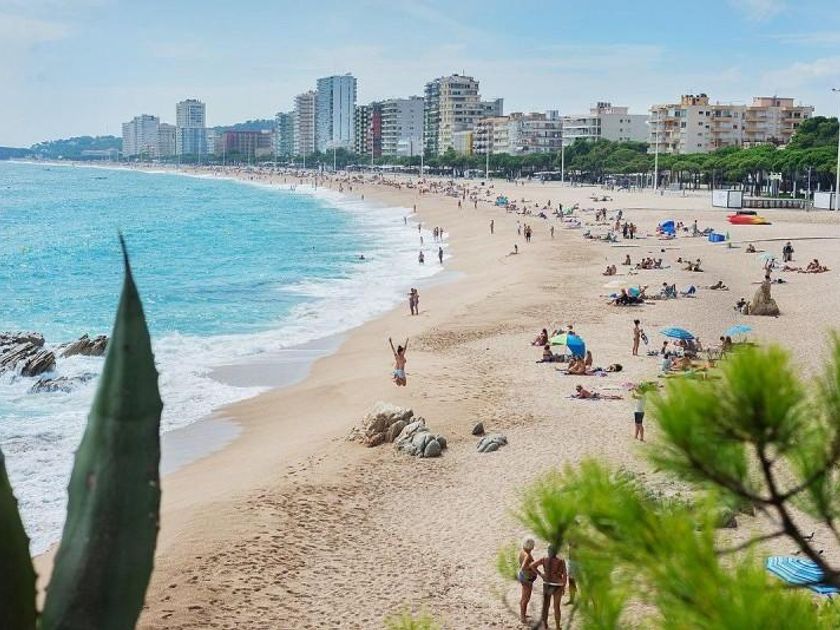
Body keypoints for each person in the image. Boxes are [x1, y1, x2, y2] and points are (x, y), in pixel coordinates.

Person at [530, 545, 567, 630]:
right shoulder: (561, 561)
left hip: (547, 584)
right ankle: (558, 626)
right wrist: (564, 586)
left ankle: (545, 625)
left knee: (546, 606)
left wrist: (541, 574)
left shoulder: (544, 559)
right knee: (556, 607)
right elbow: (565, 575)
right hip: (558, 585)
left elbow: (532, 565)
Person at [518, 538, 537, 624]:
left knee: (524, 597)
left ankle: (523, 614)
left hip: (523, 576)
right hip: (526, 578)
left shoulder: (522, 552)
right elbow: (523, 567)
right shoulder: (527, 555)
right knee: (526, 598)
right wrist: (531, 568)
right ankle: (523, 616)